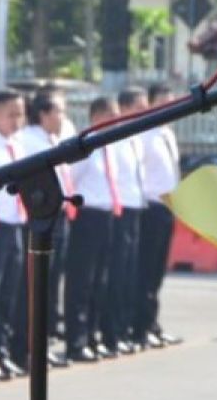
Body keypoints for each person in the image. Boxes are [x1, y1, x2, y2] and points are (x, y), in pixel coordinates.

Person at [18, 86, 76, 367]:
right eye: (58, 111)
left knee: (52, 284)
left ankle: (46, 342)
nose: (63, 117)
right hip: (39, 220)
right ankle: (30, 347)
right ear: (42, 114)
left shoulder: (52, 138)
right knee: (36, 285)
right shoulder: (28, 141)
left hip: (59, 216)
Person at [63, 97, 122, 364]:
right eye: (112, 115)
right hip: (87, 217)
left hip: (107, 215)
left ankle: (92, 336)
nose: (117, 119)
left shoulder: (110, 147)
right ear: (97, 117)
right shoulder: (85, 146)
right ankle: (76, 341)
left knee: (101, 280)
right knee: (82, 282)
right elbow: (70, 181)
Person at [0, 90, 30, 372]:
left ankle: (2, 351)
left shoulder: (19, 145)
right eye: (11, 114)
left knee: (9, 293)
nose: (16, 120)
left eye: (20, 114)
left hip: (16, 223)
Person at [135, 83, 182, 349]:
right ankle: (141, 327)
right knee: (146, 271)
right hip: (149, 207)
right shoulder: (143, 135)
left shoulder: (167, 134)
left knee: (158, 272)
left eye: (171, 102)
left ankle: (153, 324)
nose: (169, 107)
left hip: (167, 207)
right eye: (163, 102)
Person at [104, 87, 148, 355]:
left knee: (130, 275)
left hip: (136, 210)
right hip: (117, 212)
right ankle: (111, 333)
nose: (145, 113)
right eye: (139, 108)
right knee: (115, 276)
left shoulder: (136, 138)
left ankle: (124, 331)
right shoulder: (115, 139)